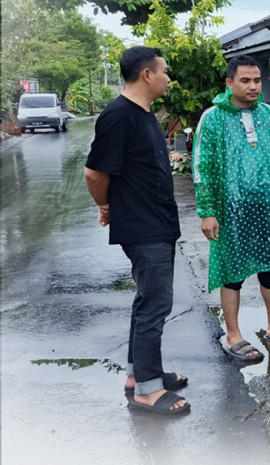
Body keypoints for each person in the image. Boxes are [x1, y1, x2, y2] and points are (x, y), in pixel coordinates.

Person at [84, 46, 189, 415]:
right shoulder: (118, 116)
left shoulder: (143, 113)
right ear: (147, 74)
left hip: (156, 222)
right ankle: (147, 392)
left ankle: (141, 375)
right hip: (143, 226)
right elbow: (94, 173)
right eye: (164, 71)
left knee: (148, 301)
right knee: (156, 304)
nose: (168, 78)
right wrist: (105, 205)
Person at [192, 55, 270, 364]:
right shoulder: (213, 118)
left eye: (257, 80)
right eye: (245, 80)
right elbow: (202, 167)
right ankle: (233, 335)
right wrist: (207, 211)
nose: (254, 86)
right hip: (230, 210)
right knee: (232, 271)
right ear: (229, 83)